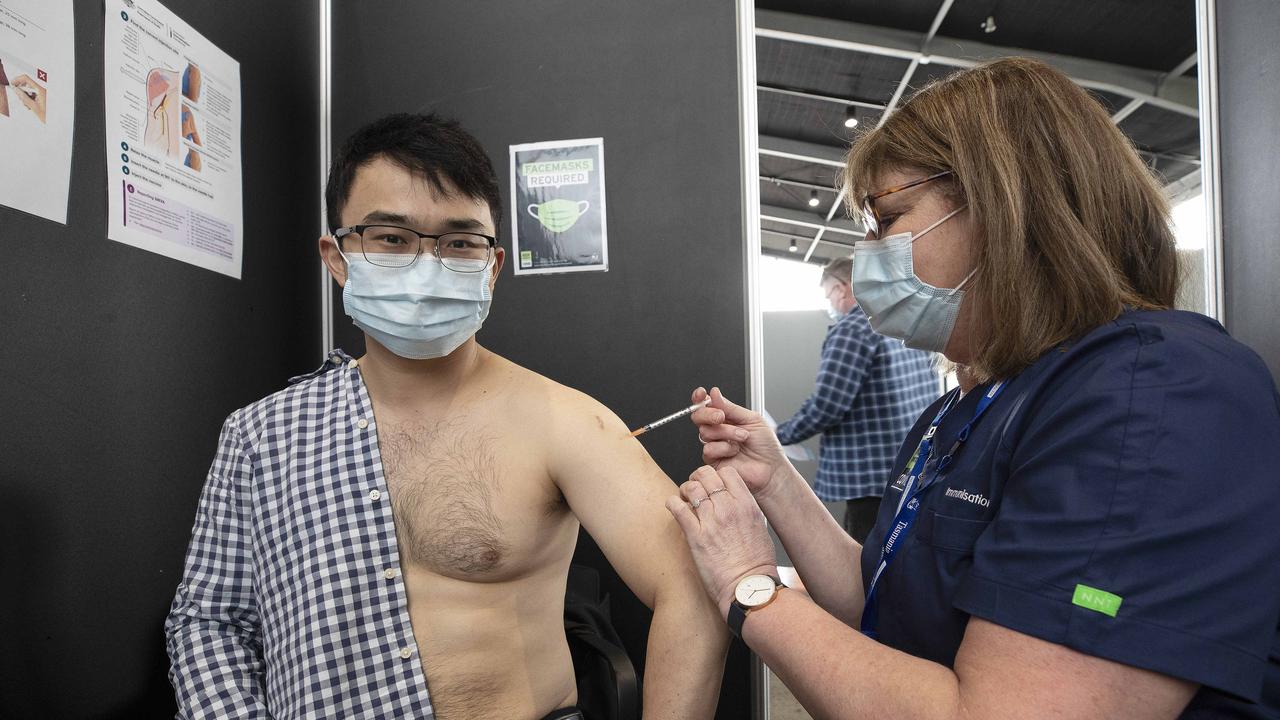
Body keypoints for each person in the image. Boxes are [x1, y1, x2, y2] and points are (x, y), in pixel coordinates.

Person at [668, 58, 1280, 719]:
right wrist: (777, 478)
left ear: (1002, 204)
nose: (870, 253)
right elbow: (881, 597)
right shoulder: (974, 403)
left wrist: (749, 585)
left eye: (890, 217)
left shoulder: (1151, 397)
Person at [165, 113, 728, 720]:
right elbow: (210, 621)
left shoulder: (562, 421)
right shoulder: (262, 436)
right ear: (337, 256)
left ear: (493, 265)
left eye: (459, 242)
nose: (427, 266)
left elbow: (692, 586)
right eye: (391, 237)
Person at [775, 257, 938, 542]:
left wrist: (778, 435)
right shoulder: (905, 321)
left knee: (864, 565)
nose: (830, 304)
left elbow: (827, 405)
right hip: (912, 468)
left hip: (868, 479)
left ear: (842, 288)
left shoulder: (853, 329)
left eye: (828, 295)